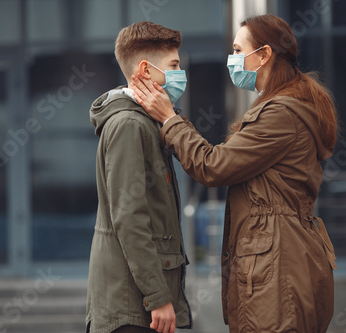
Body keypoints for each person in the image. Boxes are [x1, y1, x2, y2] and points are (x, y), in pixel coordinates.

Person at [131, 14, 338, 333]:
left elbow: (214, 166)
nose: (232, 59)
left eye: (238, 49)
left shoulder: (280, 113)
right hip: (282, 258)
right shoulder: (286, 105)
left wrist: (169, 119)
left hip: (278, 266)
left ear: (264, 54)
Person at [85, 21, 192, 333]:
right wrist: (158, 297)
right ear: (145, 70)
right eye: (173, 66)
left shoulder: (145, 123)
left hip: (137, 305)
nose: (179, 75)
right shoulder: (129, 125)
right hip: (132, 309)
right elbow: (129, 217)